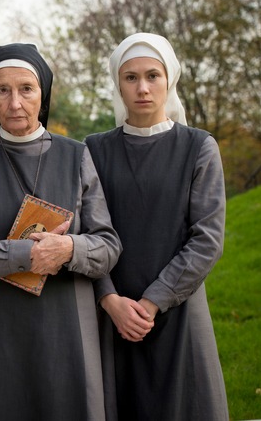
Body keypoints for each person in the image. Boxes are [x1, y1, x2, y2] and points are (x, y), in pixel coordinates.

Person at [0, 43, 121, 420]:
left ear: (43, 94)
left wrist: (69, 248)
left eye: (26, 89)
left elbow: (108, 245)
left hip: (66, 321)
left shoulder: (76, 156)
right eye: (2, 90)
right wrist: (24, 254)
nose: (14, 102)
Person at [85, 32, 228, 420]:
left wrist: (151, 303)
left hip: (178, 312)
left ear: (170, 80)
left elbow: (207, 240)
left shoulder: (199, 147)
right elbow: (85, 234)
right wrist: (109, 299)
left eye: (153, 75)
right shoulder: (94, 150)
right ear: (118, 83)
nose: (142, 88)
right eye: (131, 78)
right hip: (112, 314)